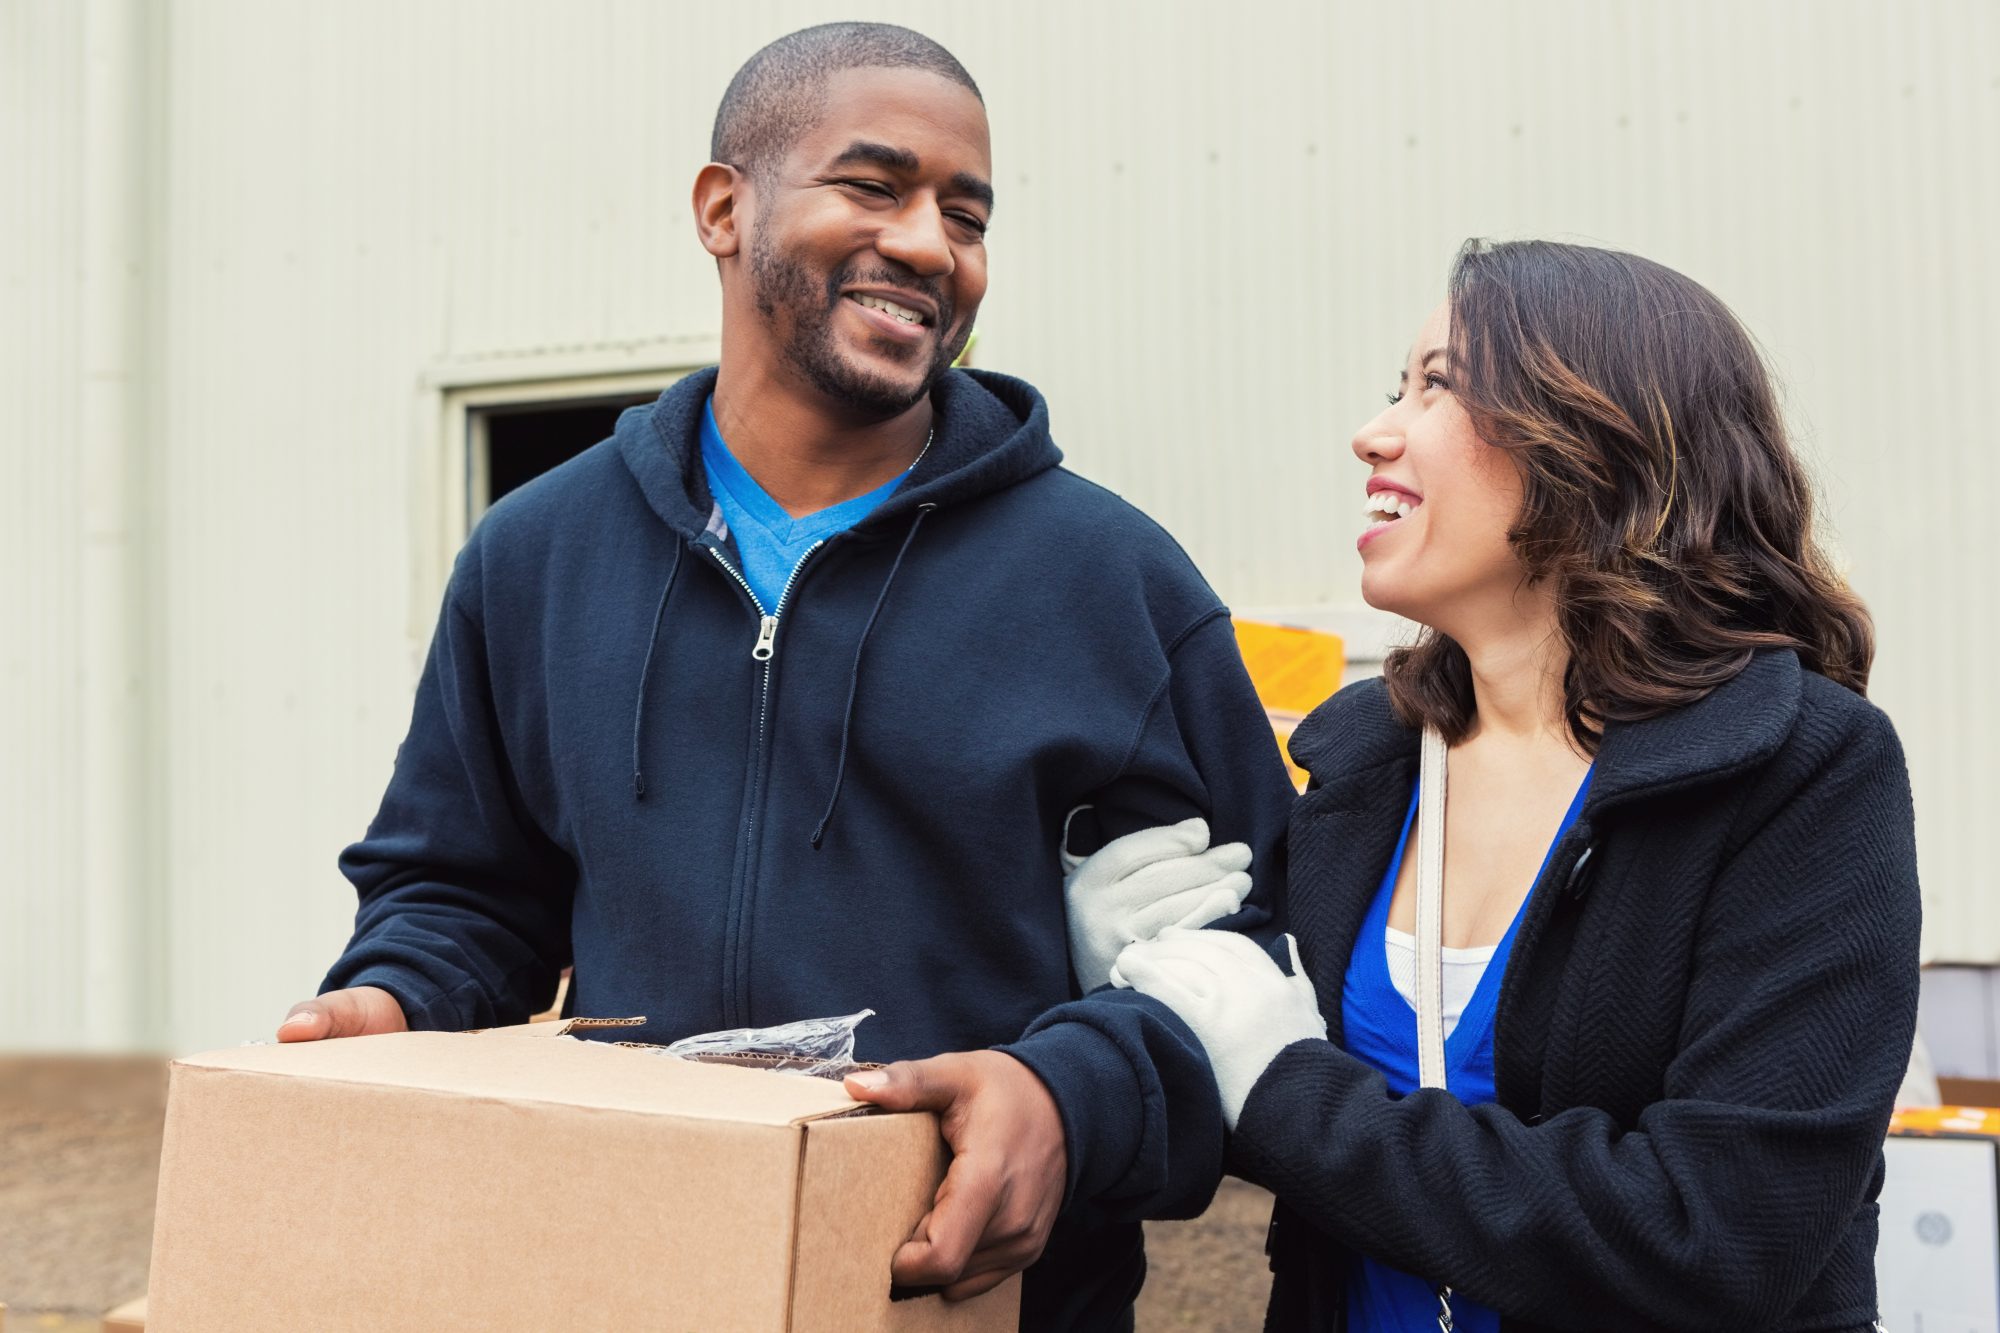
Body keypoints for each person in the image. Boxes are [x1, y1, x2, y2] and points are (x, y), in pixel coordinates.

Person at [274, 23, 1294, 1331]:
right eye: (874, 186)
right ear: (723, 208)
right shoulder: (534, 558)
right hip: (629, 1278)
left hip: (968, 1297)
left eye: (966, 214)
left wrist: (1070, 1097)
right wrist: (397, 996)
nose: (930, 245)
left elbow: (1251, 958)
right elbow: (469, 891)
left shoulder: (1111, 583)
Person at [1100, 240, 1921, 1330]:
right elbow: (1234, 1111)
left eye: (1435, 384)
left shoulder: (1800, 773)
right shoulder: (1368, 768)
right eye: (1393, 387)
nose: (1373, 430)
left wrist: (1284, 1085)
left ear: (1594, 437)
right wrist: (1137, 975)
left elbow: (1719, 1232)